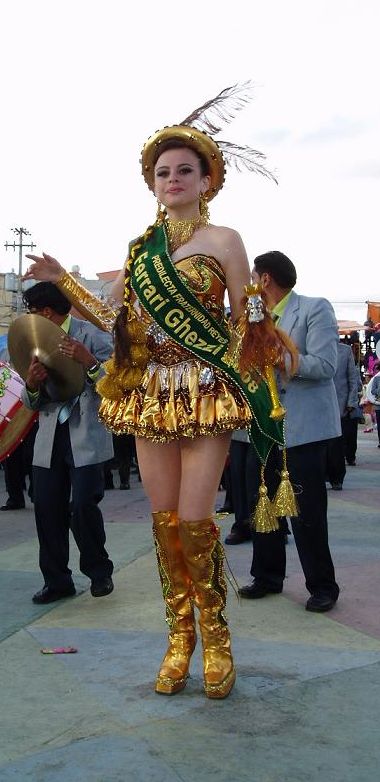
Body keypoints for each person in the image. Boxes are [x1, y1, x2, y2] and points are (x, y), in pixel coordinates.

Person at [23, 84, 296, 699]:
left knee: (198, 520)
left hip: (203, 389)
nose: (172, 179)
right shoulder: (139, 250)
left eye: (184, 170)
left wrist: (255, 357)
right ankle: (180, 638)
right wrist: (61, 279)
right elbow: (112, 316)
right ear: (152, 184)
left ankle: (218, 639)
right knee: (165, 521)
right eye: (162, 172)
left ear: (206, 180)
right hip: (150, 394)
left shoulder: (225, 241)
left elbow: (243, 320)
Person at [239, 251, 341, 613]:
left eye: (253, 276)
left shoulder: (314, 308)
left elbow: (325, 365)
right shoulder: (250, 320)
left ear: (264, 279)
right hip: (263, 428)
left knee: (307, 510)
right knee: (260, 501)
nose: (249, 282)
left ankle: (322, 585)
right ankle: (267, 576)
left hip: (302, 429)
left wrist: (277, 357)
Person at [20, 282, 115, 604]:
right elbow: (30, 401)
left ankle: (99, 573)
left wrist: (89, 363)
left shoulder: (94, 337)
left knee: (82, 506)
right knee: (46, 508)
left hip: (86, 434)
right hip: (50, 437)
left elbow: (118, 387)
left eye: (33, 311)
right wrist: (32, 386)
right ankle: (57, 581)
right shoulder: (31, 341)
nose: (31, 317)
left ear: (47, 312)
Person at [326, 341, 360, 486]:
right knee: (322, 445)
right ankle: (323, 475)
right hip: (321, 404)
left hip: (342, 405)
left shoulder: (345, 351)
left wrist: (352, 402)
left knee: (338, 444)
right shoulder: (313, 349)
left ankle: (337, 478)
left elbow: (353, 379)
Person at [0, 421, 38, 510]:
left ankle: (36, 494)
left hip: (31, 415)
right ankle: (15, 498)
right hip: (12, 416)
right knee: (10, 456)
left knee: (32, 454)